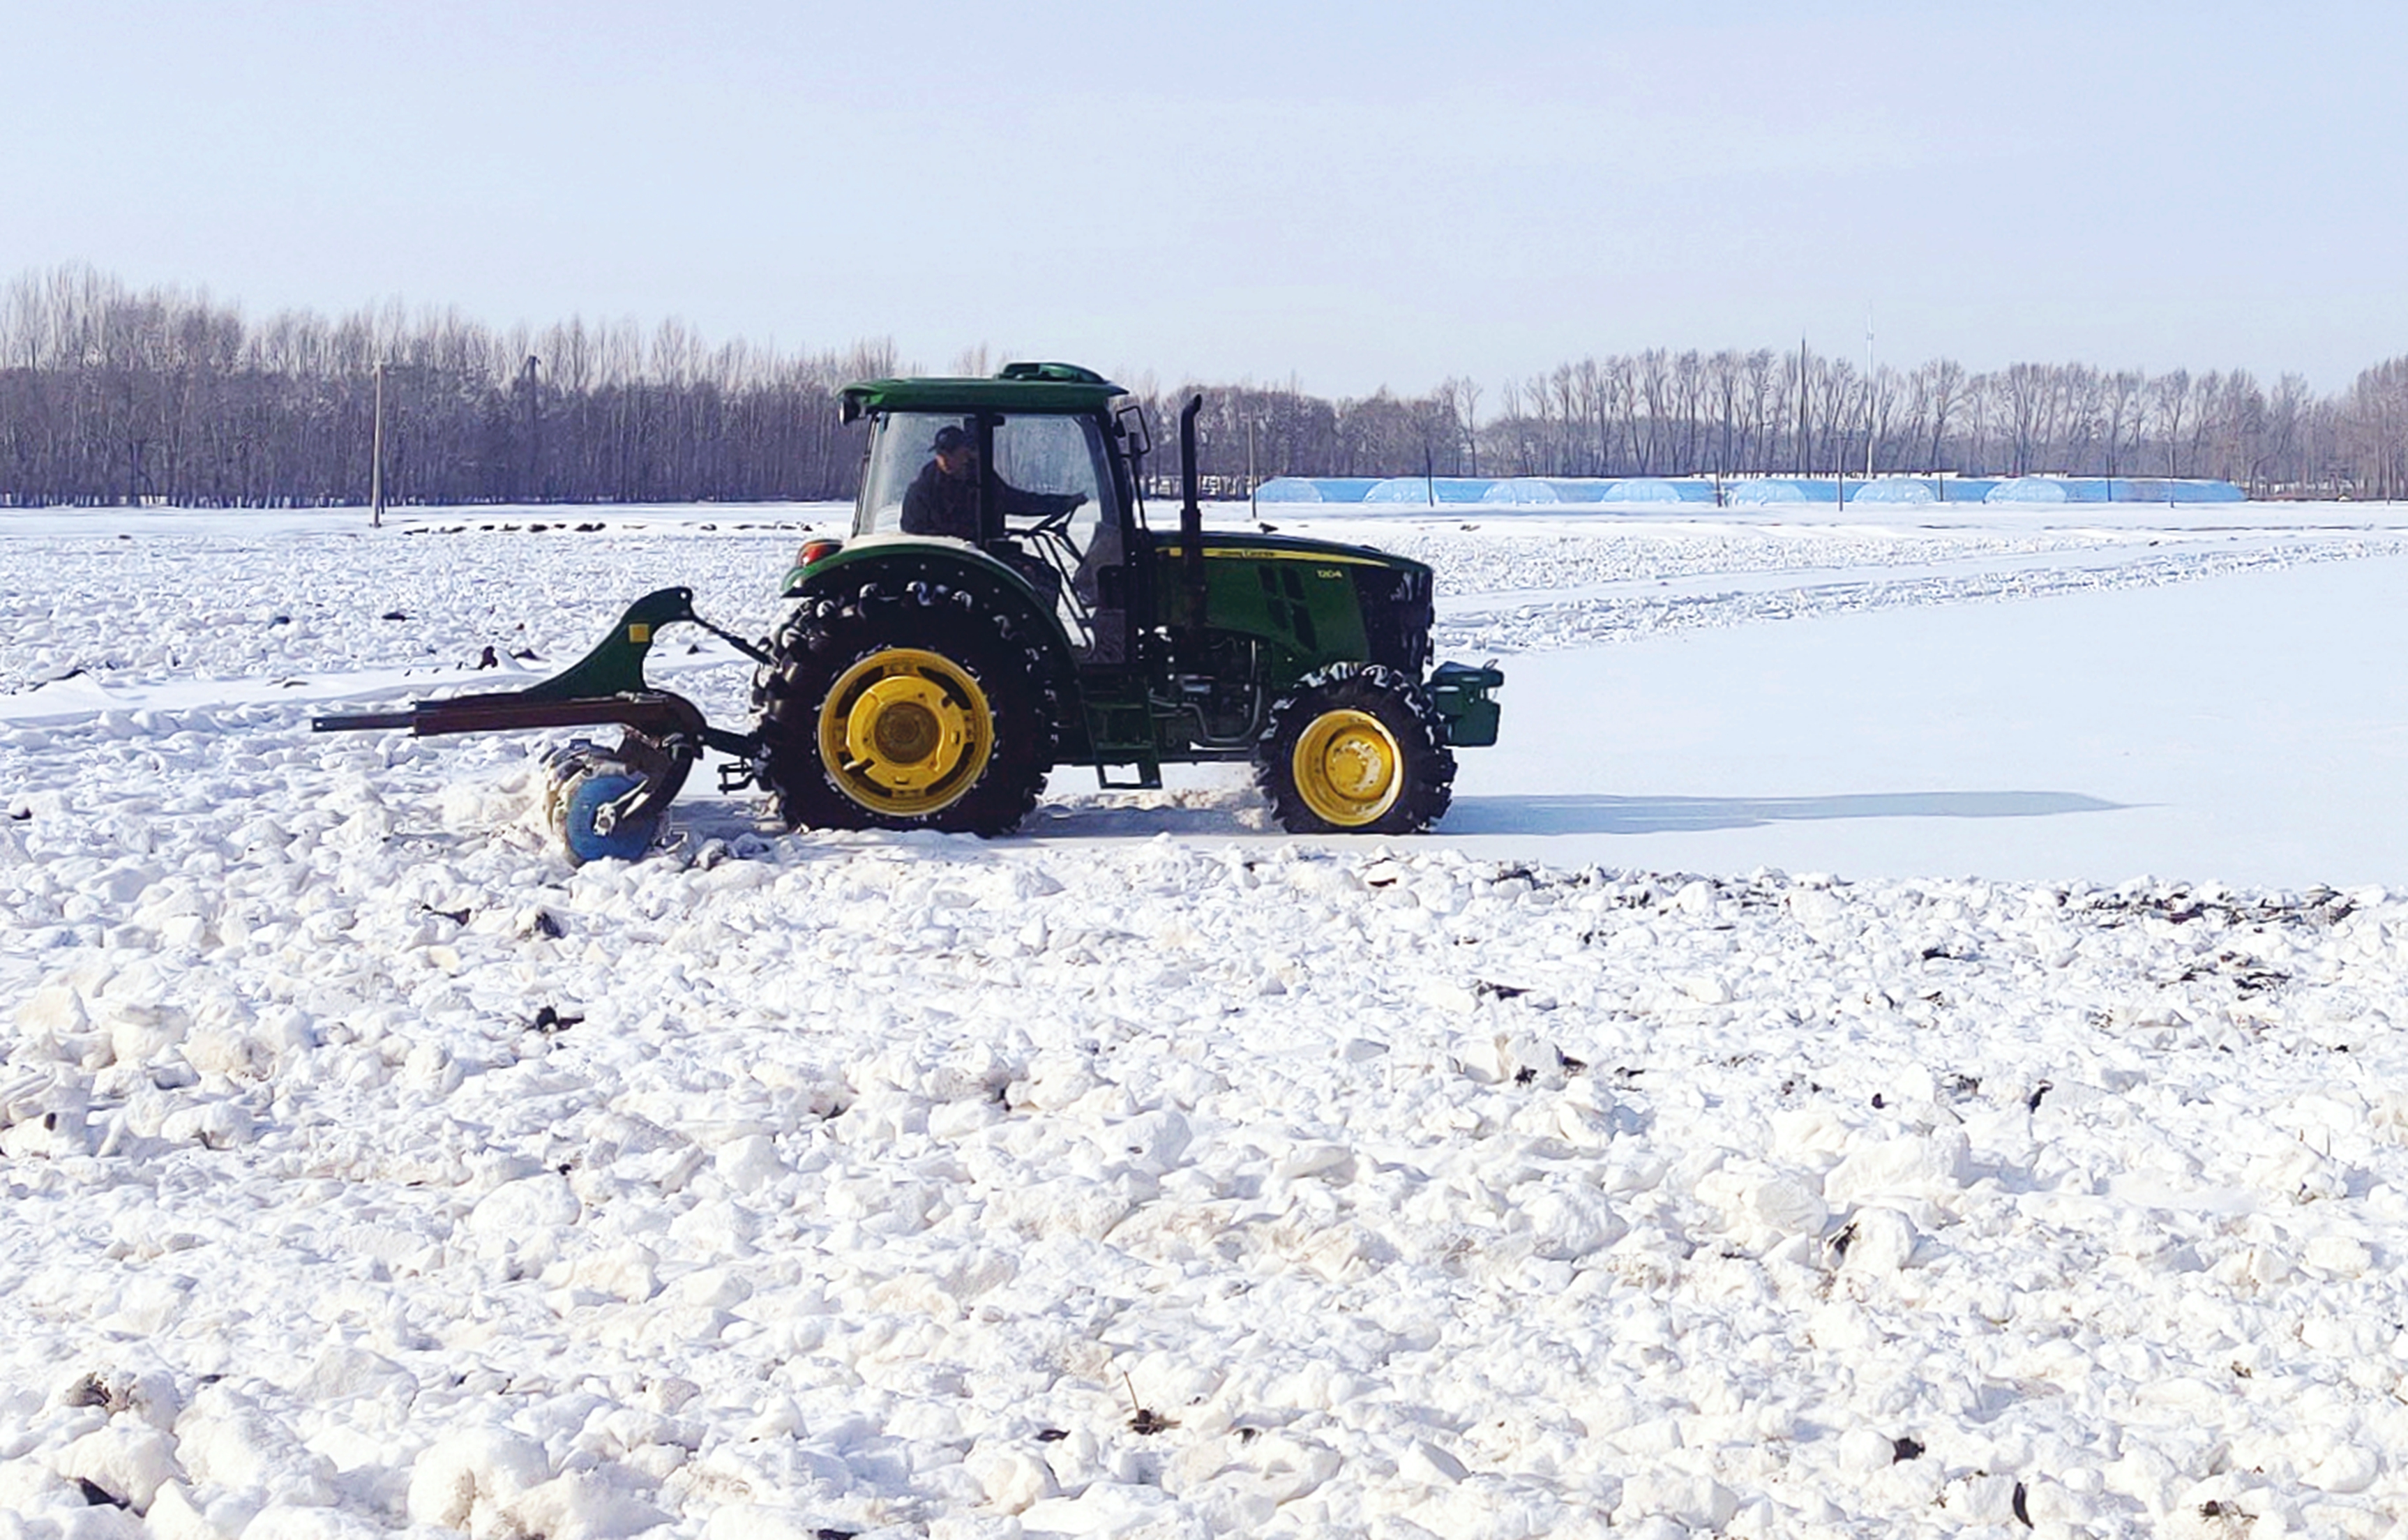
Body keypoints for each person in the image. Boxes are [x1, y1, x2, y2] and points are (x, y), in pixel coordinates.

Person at [901, 424, 1085, 541]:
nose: (945, 460)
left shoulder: (983, 482)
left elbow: (1018, 501)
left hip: (981, 556)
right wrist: (960, 537)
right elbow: (914, 532)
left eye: (951, 453)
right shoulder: (922, 491)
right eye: (941, 455)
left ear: (966, 452)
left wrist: (1062, 503)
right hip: (946, 562)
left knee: (1042, 576)